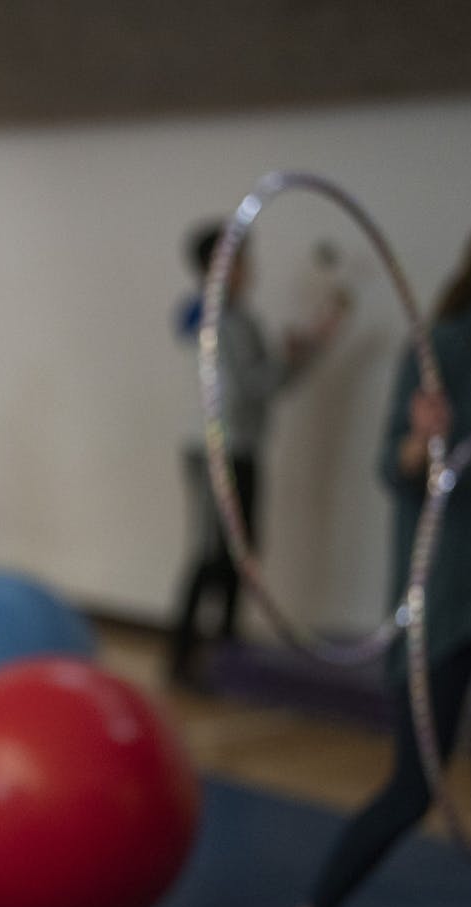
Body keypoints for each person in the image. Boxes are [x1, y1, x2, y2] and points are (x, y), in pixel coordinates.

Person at [269, 225, 471, 907]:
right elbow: (395, 468)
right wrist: (420, 439)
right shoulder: (444, 348)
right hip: (449, 593)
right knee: (414, 784)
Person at [167, 221, 349, 687]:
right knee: (213, 553)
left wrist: (306, 347)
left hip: (239, 449)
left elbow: (266, 384)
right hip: (215, 452)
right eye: (242, 258)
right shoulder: (214, 317)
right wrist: (300, 350)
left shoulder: (240, 319)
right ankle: (182, 662)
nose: (251, 268)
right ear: (219, 266)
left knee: (238, 553)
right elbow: (256, 382)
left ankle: (224, 659)